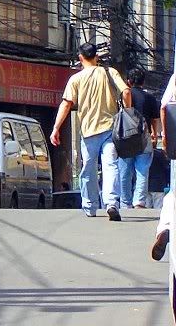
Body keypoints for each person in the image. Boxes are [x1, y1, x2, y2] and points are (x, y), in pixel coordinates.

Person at [50, 42, 131, 221]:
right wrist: (127, 112)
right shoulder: (110, 72)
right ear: (97, 57)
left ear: (80, 58)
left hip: (88, 132)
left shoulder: (76, 79)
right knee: (111, 166)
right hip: (110, 129)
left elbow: (66, 103)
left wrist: (56, 128)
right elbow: (126, 92)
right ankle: (111, 203)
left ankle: (90, 206)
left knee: (88, 169)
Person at [117, 68, 159, 209]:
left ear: (128, 82)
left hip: (126, 137)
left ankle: (125, 202)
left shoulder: (123, 96)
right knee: (142, 170)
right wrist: (154, 134)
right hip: (144, 135)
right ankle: (139, 202)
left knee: (125, 171)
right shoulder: (150, 97)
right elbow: (154, 119)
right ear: (143, 81)